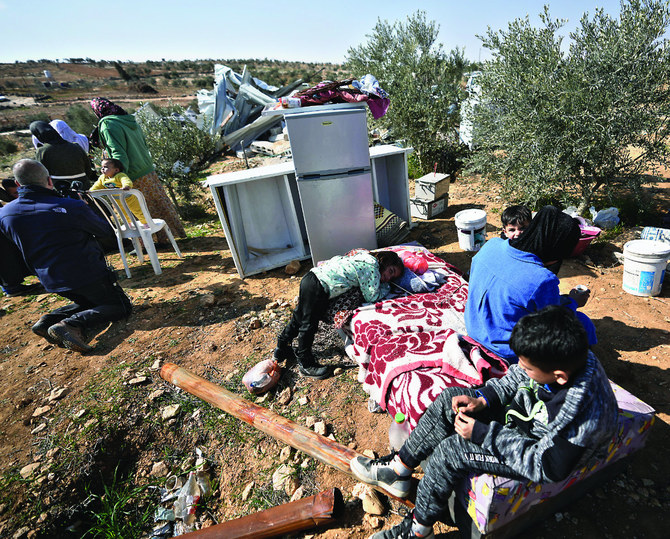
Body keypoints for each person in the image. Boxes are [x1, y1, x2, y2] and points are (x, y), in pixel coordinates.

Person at [350, 305, 618, 539]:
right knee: (450, 399)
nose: (522, 370)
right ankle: (399, 470)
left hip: (539, 452)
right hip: (524, 424)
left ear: (559, 376)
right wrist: (484, 399)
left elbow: (547, 466)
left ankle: (419, 530)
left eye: (528, 368)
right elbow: (517, 376)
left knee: (452, 451)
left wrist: (483, 433)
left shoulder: (582, 418)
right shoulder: (558, 361)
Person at [0, 159, 132, 352]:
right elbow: (105, 231)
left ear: (18, 185)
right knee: (120, 306)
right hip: (88, 273)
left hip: (50, 280)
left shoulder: (5, 214)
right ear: (49, 181)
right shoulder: (70, 206)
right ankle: (70, 324)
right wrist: (83, 207)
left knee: (90, 302)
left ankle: (47, 321)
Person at [465, 205, 596, 362]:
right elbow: (552, 322)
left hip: (473, 329)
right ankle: (583, 364)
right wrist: (573, 302)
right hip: (505, 350)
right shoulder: (542, 280)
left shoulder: (491, 245)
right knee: (582, 324)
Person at [274, 250, 405, 379]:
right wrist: (387, 287)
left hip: (311, 277)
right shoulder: (372, 269)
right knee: (308, 325)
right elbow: (372, 295)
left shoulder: (363, 257)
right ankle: (306, 364)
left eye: (392, 278)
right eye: (391, 271)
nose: (388, 278)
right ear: (384, 261)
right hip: (319, 286)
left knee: (299, 316)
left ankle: (281, 347)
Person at [90, 97, 186, 243]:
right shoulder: (128, 120)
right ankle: (169, 236)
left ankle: (149, 243)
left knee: (138, 210)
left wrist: (118, 176)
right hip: (147, 169)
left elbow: (118, 153)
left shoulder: (108, 125)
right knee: (158, 204)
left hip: (132, 174)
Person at [30, 121, 96, 190]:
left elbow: (42, 174)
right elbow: (88, 170)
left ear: (38, 135)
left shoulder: (42, 151)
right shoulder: (76, 146)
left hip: (59, 190)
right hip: (83, 186)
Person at [90, 158, 146, 224]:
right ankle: (129, 224)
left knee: (138, 211)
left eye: (105, 167)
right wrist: (90, 191)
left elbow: (125, 180)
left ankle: (145, 223)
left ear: (116, 170)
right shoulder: (102, 178)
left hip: (129, 198)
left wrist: (126, 186)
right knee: (123, 213)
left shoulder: (120, 176)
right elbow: (96, 186)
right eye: (102, 167)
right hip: (117, 200)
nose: (102, 169)